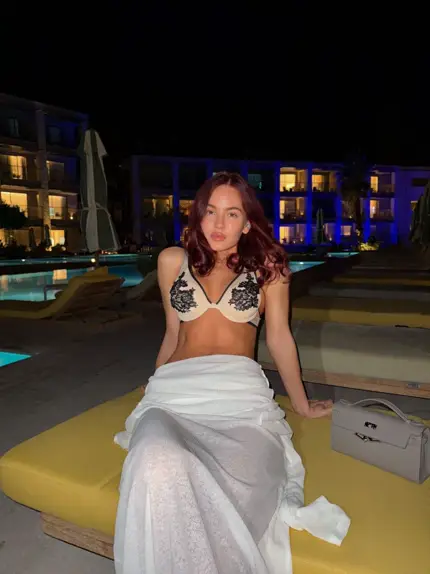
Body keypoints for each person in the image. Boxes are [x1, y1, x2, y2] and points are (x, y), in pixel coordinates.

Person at [113, 172, 350, 574]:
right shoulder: (172, 261)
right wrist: (155, 384)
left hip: (238, 396)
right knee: (154, 456)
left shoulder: (269, 267)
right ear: (198, 215)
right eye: (211, 211)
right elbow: (173, 332)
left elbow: (279, 338)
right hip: (174, 394)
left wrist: (302, 404)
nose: (219, 224)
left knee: (235, 489)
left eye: (232, 213)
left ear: (248, 223)